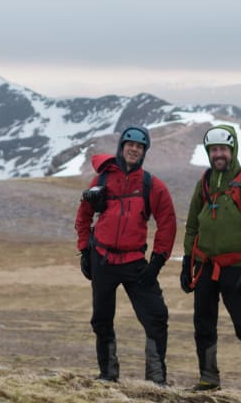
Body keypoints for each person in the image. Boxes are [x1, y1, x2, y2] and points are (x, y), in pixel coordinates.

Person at [180, 123, 241, 394]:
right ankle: (208, 379)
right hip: (204, 267)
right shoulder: (203, 183)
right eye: (213, 150)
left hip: (237, 268)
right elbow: (191, 226)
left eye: (223, 149)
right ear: (208, 152)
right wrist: (187, 261)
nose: (218, 154)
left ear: (232, 150)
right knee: (203, 324)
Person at [75, 125, 177, 385]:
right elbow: (84, 214)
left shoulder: (152, 185)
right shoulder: (102, 180)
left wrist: (157, 261)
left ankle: (156, 380)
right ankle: (108, 374)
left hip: (134, 263)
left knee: (156, 317)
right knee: (101, 319)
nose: (134, 149)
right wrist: (84, 250)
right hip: (102, 259)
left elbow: (167, 222)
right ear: (121, 147)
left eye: (140, 147)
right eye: (130, 144)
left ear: (144, 152)